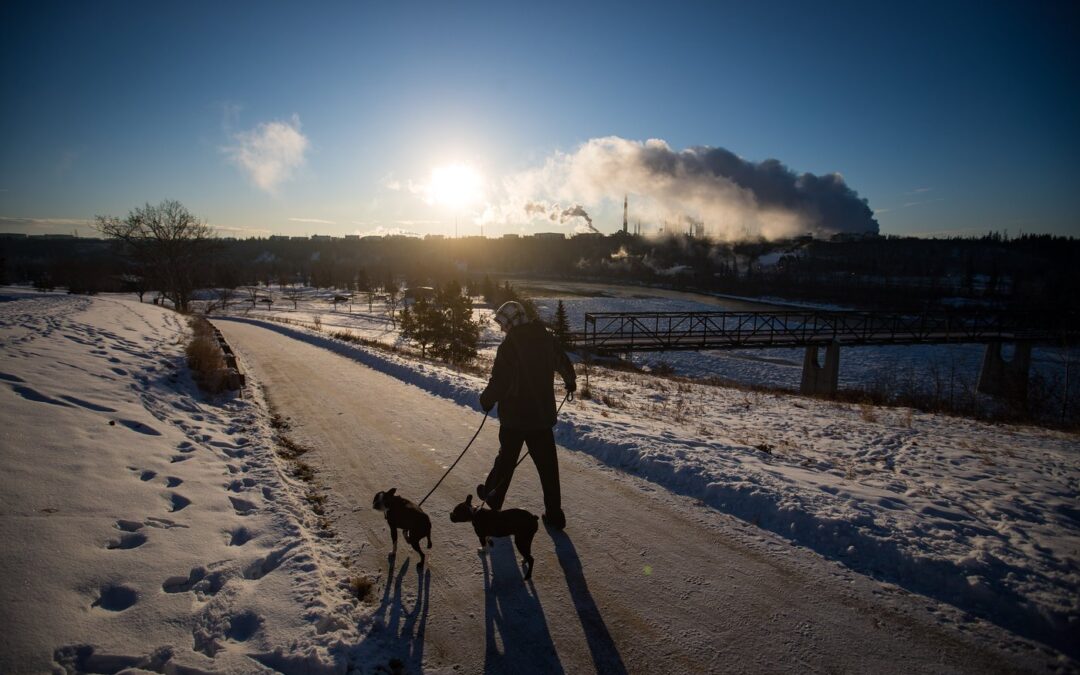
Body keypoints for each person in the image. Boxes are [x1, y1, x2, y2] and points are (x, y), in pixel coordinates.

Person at [478, 300, 576, 529]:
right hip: (541, 417)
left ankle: (493, 499)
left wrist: (486, 400)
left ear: (512, 322)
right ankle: (554, 515)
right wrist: (570, 382)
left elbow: (500, 381)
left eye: (504, 324)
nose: (503, 329)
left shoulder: (510, 345)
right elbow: (563, 362)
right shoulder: (546, 339)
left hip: (514, 418)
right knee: (548, 469)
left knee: (506, 461)